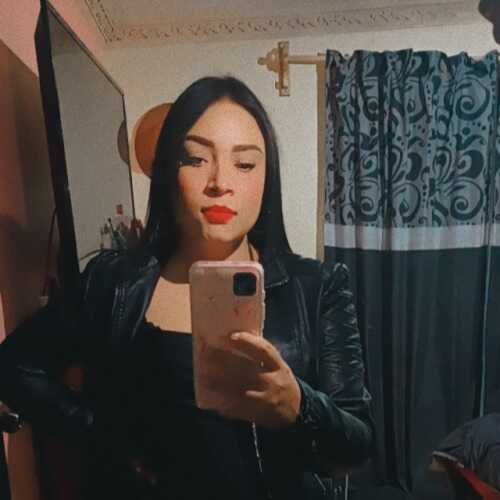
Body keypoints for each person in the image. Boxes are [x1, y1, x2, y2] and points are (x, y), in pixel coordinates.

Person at [0, 76, 373, 500]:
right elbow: (14, 366)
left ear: (267, 179)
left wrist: (298, 406)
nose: (220, 181)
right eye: (196, 158)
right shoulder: (115, 283)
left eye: (245, 164)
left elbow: (356, 446)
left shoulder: (318, 288)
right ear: (167, 171)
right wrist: (102, 435)